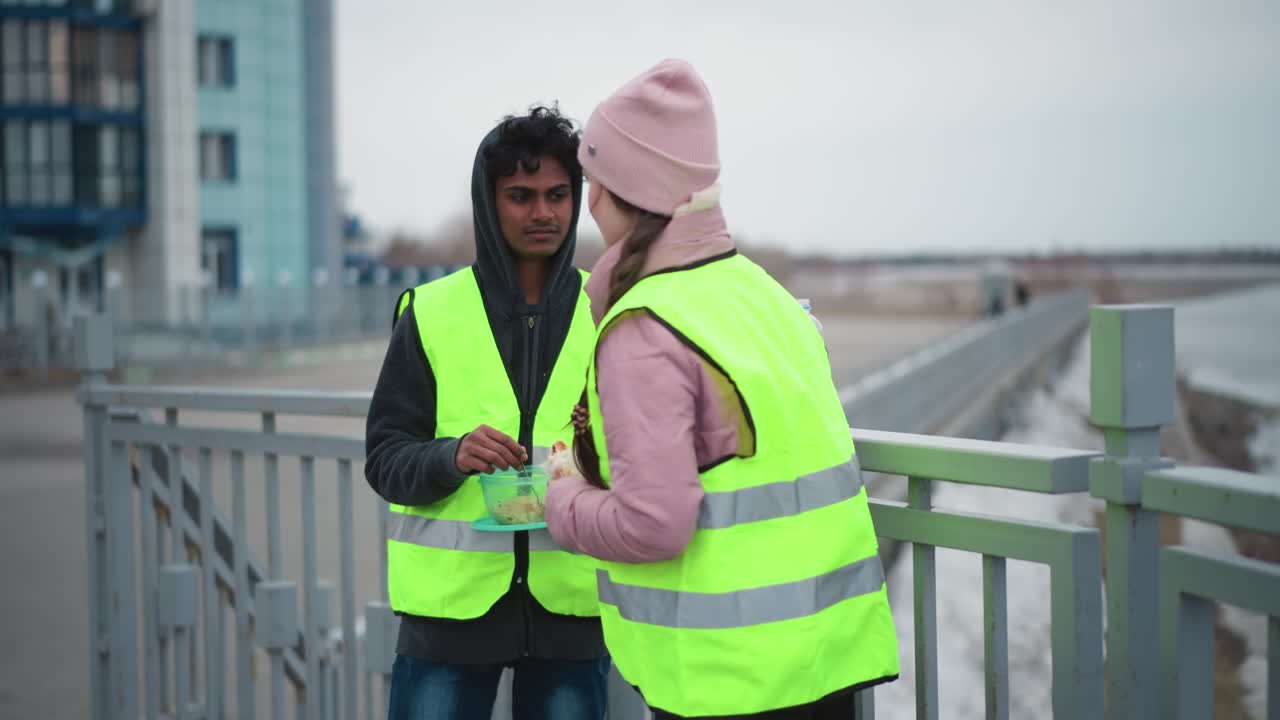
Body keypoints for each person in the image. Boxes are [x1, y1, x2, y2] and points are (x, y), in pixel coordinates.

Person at [544, 60, 900, 719]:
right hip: (823, 661)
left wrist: (559, 496)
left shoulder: (644, 325)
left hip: (727, 677)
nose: (587, 198)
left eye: (595, 177)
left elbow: (654, 525)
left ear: (621, 188)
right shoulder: (765, 296)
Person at [365, 105, 608, 720]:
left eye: (558, 194)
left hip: (571, 613)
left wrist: (596, 451)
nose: (543, 213)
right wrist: (450, 455)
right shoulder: (431, 311)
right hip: (449, 617)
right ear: (488, 201)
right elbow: (385, 457)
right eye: (521, 196)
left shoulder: (609, 309)